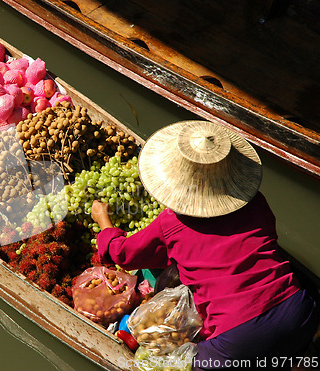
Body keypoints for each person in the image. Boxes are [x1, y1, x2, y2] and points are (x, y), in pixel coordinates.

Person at [91, 120, 319, 370]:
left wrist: (103, 219)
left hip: (238, 341)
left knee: (197, 364)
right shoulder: (255, 202)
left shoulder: (171, 223)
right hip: (300, 313)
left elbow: (122, 254)